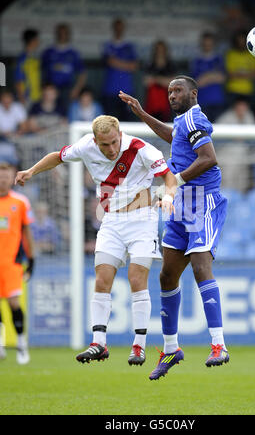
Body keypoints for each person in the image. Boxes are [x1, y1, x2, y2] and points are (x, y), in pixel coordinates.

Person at [15, 115, 177, 366]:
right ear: (95, 141)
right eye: (105, 145)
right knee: (102, 279)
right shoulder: (85, 146)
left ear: (120, 134)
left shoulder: (141, 149)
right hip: (111, 221)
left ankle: (139, 346)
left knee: (136, 278)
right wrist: (31, 171)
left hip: (142, 219)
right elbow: (57, 156)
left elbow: (169, 177)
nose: (111, 149)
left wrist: (167, 197)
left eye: (114, 142)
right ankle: (98, 343)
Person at [119, 75, 229, 380]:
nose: (171, 95)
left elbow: (209, 158)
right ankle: (171, 349)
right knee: (167, 275)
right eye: (169, 91)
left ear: (193, 93)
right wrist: (142, 114)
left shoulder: (196, 118)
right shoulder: (183, 122)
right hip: (182, 201)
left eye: (178, 90)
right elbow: (173, 136)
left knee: (199, 265)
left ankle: (218, 344)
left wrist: (175, 181)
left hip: (201, 198)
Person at [0, 158, 35, 364]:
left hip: (12, 263)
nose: (3, 181)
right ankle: (2, 345)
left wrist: (32, 259)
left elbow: (27, 232)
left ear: (11, 178)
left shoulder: (20, 202)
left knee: (14, 304)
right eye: (0, 177)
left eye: (6, 177)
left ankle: (21, 344)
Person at [42, 23, 87, 112]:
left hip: (68, 89)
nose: (62, 35)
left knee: (67, 112)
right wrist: (43, 88)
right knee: (50, 112)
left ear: (68, 34)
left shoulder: (73, 53)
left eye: (65, 33)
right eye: (60, 33)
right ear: (56, 34)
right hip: (51, 89)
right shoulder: (48, 52)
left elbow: (82, 73)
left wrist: (76, 89)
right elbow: (41, 71)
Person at [101, 18, 138, 121]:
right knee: (109, 122)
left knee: (127, 121)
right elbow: (109, 61)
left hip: (127, 90)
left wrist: (116, 62)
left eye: (120, 27)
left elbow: (134, 66)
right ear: (113, 28)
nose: (118, 29)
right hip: (110, 90)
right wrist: (126, 65)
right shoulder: (108, 46)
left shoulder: (129, 47)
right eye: (116, 27)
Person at [190, 32, 226, 122]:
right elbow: (197, 82)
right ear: (202, 44)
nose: (207, 46)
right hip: (202, 101)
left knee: (218, 130)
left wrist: (206, 77)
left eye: (210, 44)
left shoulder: (219, 59)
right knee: (203, 130)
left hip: (218, 100)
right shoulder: (196, 61)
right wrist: (213, 76)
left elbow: (222, 78)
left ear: (214, 44)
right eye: (205, 44)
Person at [143, 40, 176, 122]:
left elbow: (173, 83)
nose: (160, 52)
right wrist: (163, 81)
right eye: (158, 49)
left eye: (162, 50)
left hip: (166, 103)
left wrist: (156, 79)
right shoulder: (150, 64)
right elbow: (146, 82)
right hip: (152, 103)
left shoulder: (170, 65)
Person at [225, 31, 255, 104]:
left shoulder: (252, 55)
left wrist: (238, 74)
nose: (241, 43)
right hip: (233, 90)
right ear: (235, 41)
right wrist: (247, 74)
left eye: (243, 40)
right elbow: (230, 74)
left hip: (248, 91)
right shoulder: (230, 54)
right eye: (239, 40)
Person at [14, 28, 41, 108]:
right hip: (27, 99)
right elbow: (18, 81)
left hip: (38, 97)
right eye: (37, 39)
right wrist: (22, 99)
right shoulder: (22, 59)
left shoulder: (36, 58)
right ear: (32, 41)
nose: (39, 42)